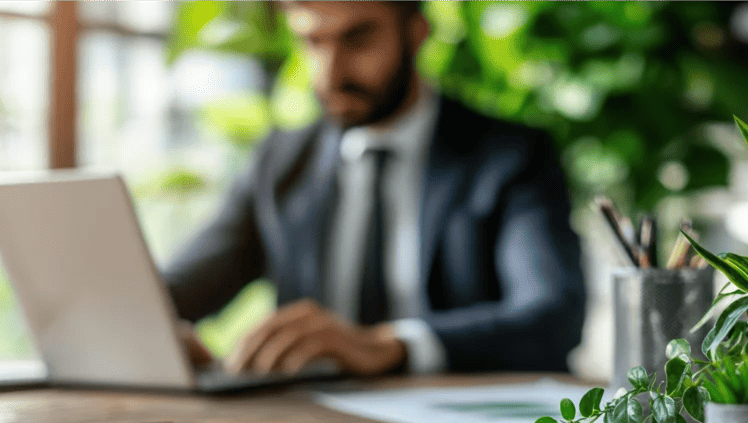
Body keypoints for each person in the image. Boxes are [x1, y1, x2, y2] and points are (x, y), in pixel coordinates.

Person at [166, 0, 586, 377]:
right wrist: (152, 331)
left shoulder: (509, 156)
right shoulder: (279, 163)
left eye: (358, 38)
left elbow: (552, 316)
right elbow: (178, 291)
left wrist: (387, 346)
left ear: (417, 33)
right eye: (312, 42)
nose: (330, 73)